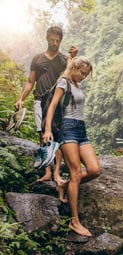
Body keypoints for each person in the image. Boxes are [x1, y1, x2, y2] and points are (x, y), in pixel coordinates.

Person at [43, 56, 101, 237]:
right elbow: (52, 107)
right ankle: (74, 222)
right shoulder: (63, 82)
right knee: (76, 172)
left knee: (94, 170)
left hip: (81, 129)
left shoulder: (77, 85)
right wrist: (47, 130)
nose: (84, 76)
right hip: (67, 129)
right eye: (82, 72)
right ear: (74, 68)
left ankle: (64, 186)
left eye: (86, 74)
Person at [14, 26, 78, 185]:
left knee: (57, 134)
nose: (55, 43)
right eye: (52, 39)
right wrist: (20, 99)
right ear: (47, 38)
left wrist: (72, 58)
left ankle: (56, 173)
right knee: (42, 134)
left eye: (58, 40)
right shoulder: (37, 59)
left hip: (56, 101)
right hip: (38, 100)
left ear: (61, 40)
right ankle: (47, 171)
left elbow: (69, 77)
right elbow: (30, 82)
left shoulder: (64, 60)